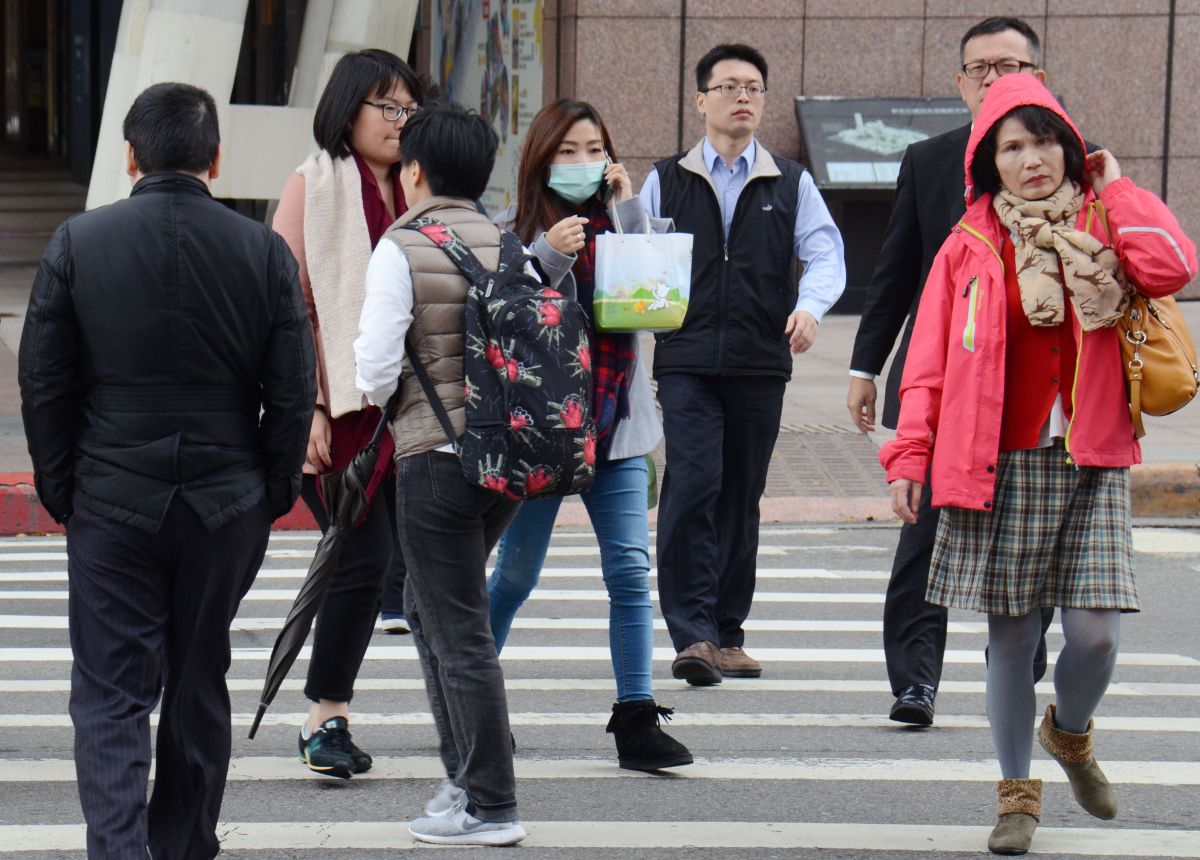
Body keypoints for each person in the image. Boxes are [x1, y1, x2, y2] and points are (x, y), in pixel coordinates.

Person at [881, 74, 1195, 855]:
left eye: (1044, 140)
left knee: (1094, 640)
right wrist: (909, 454)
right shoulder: (969, 245)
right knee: (1012, 639)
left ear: (1070, 145)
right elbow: (927, 365)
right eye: (1011, 147)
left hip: (1092, 454)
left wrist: (1117, 190)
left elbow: (1170, 269)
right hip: (999, 461)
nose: (1031, 159)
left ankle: (1072, 733)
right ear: (989, 162)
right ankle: (1016, 796)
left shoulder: (1105, 221)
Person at [18, 82, 314, 859]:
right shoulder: (262, 252)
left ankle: (119, 850)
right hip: (225, 499)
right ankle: (184, 845)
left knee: (112, 695)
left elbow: (44, 384)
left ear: (128, 157)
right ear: (215, 159)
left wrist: (62, 490)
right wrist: (272, 489)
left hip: (112, 498)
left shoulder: (80, 243)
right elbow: (291, 390)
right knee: (197, 680)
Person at [847, 17, 1060, 726]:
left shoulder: (1065, 163)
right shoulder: (932, 161)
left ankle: (1020, 661)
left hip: (1034, 393)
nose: (996, 79)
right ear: (961, 83)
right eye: (982, 69)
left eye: (1012, 64)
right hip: (945, 385)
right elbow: (896, 273)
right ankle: (915, 681)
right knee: (924, 531)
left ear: (1038, 73)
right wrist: (865, 366)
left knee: (1031, 531)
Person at [487, 99, 692, 770]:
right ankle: (474, 702)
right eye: (568, 150)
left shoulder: (629, 227)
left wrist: (629, 215)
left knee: (631, 571)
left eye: (594, 149)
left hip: (618, 430)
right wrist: (547, 255)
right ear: (542, 159)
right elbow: (504, 320)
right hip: (543, 433)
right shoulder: (513, 233)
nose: (582, 163)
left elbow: (658, 312)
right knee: (515, 575)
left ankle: (637, 716)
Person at [639, 43, 846, 685]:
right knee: (694, 481)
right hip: (688, 358)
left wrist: (810, 308)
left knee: (740, 495)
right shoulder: (665, 177)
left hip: (760, 361)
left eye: (754, 87)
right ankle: (692, 633)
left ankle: (728, 634)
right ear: (701, 99)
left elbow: (826, 253)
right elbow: (635, 252)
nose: (743, 98)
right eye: (728, 86)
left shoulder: (790, 180)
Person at [355, 101, 526, 846]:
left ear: (416, 171)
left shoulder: (402, 245)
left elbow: (373, 368)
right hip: (510, 464)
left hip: (436, 457)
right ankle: (462, 783)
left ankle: (491, 804)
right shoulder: (507, 243)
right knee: (432, 614)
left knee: (457, 630)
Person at [272, 48, 424, 778]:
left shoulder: (421, 189)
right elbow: (287, 307)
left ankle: (464, 705)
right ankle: (324, 718)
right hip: (343, 413)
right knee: (361, 559)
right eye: (386, 108)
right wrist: (307, 406)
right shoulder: (314, 185)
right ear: (347, 110)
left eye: (408, 110)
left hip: (416, 410)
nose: (400, 122)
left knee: (412, 559)